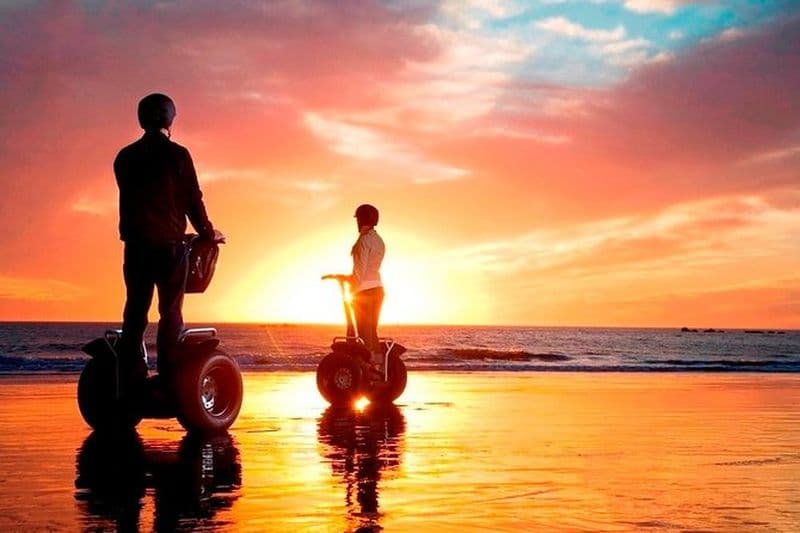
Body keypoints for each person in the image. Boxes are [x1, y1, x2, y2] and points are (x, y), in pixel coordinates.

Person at [113, 93, 215, 391]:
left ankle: (128, 376)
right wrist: (207, 232)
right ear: (168, 118)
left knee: (135, 309)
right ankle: (168, 378)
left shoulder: (125, 156)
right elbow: (192, 199)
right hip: (168, 245)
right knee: (170, 311)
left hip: (135, 245)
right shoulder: (178, 155)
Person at [349, 204, 386, 374]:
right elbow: (372, 267)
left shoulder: (363, 240)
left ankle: (368, 369)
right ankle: (378, 367)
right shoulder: (379, 240)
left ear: (361, 220)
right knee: (372, 332)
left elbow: (360, 271)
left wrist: (350, 284)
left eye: (358, 219)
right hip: (378, 289)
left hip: (363, 291)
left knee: (363, 333)